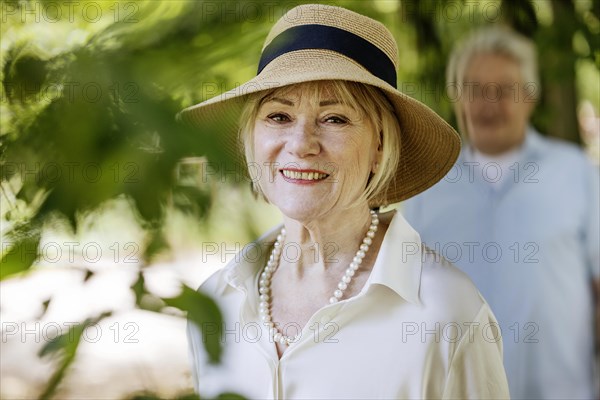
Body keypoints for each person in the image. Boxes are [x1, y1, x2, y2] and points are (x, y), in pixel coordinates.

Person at [178, 5, 509, 399]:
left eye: (334, 118)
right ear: (252, 136)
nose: (301, 145)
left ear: (379, 146)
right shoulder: (217, 301)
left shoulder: (449, 316)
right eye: (279, 116)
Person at [403, 26, 600, 400]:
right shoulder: (427, 186)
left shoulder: (576, 172)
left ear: (530, 97)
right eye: (475, 89)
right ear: (456, 98)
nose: (488, 103)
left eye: (505, 89)